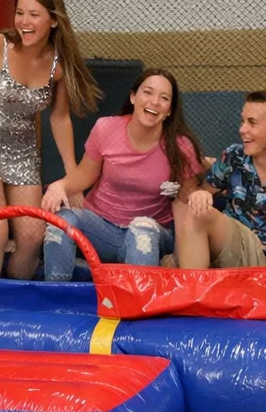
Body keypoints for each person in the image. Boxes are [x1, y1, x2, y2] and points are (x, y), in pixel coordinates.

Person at [0, 0, 101, 278]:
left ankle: (14, 304)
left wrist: (73, 177)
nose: (24, 22)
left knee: (32, 235)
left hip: (21, 152)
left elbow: (59, 118)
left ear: (53, 21)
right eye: (20, 13)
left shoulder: (58, 64)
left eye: (34, 15)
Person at [40, 69, 203, 280]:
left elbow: (189, 192)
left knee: (142, 229)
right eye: (148, 92)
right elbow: (84, 176)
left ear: (169, 110)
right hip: (101, 226)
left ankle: (137, 306)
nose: (154, 101)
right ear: (133, 97)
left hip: (150, 231)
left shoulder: (180, 146)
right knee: (61, 220)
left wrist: (198, 194)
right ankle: (56, 297)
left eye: (164, 98)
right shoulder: (106, 128)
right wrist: (59, 185)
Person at [174, 90, 266, 269]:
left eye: (251, 122)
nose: (242, 129)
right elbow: (202, 190)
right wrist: (199, 195)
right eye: (242, 121)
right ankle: (193, 292)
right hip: (234, 245)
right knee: (197, 212)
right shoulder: (233, 157)